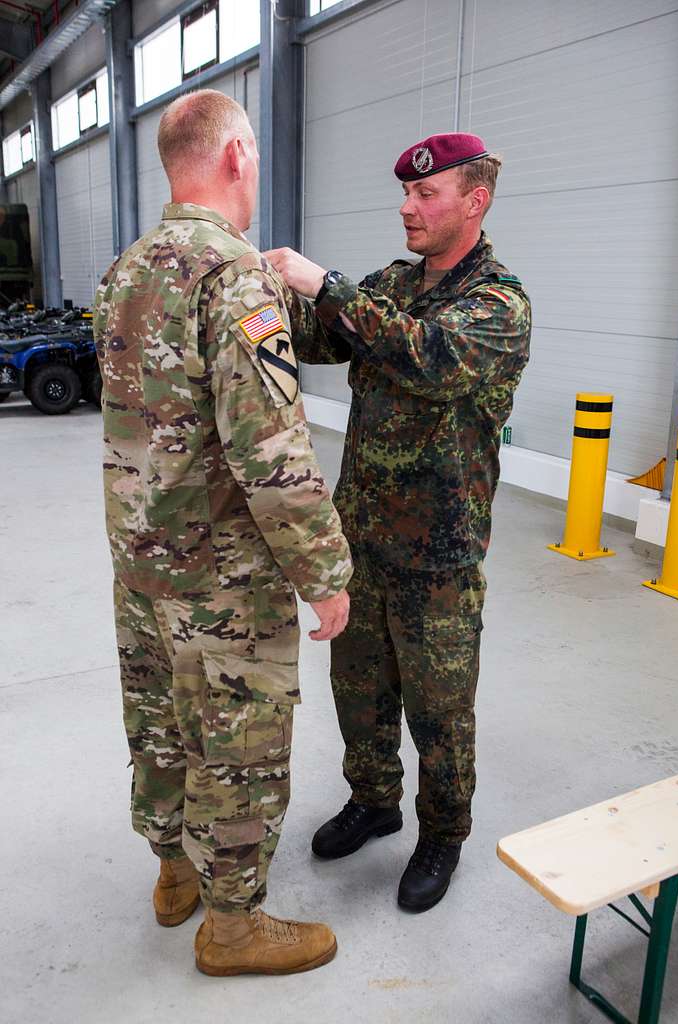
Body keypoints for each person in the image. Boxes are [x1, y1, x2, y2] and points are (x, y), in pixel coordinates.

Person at [93, 89, 353, 976]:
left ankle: (173, 872)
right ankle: (232, 924)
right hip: (221, 571)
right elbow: (271, 448)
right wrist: (324, 572)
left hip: (140, 558)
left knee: (160, 717)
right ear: (237, 156)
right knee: (236, 734)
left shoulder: (127, 268)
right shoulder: (234, 275)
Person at [266, 132, 531, 913]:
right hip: (361, 539)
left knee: (438, 709)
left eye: (426, 195)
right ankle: (373, 799)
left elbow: (427, 358)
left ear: (473, 201)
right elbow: (313, 337)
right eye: (407, 195)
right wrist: (256, 303)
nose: (407, 207)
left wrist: (327, 283)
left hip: (438, 553)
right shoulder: (392, 283)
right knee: (358, 690)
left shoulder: (496, 304)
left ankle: (442, 833)